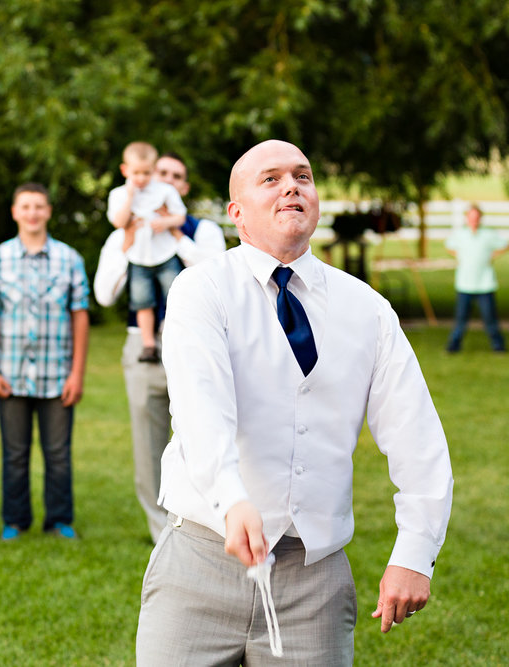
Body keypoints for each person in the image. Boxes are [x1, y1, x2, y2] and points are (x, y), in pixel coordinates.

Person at [136, 140, 454, 665]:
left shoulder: (367, 309)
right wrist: (231, 497)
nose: (292, 186)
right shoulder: (202, 290)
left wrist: (416, 552)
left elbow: (416, 435)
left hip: (315, 579)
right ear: (236, 212)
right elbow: (200, 406)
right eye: (271, 178)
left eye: (303, 177)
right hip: (200, 561)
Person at [93, 152, 226, 543]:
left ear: (179, 188)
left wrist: (175, 236)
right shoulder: (121, 233)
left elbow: (217, 275)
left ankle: (209, 524)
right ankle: (160, 531)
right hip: (144, 350)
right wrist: (128, 245)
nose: (162, 181)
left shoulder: (203, 232)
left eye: (173, 176)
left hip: (197, 349)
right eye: (158, 173)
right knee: (148, 443)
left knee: (206, 435)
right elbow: (104, 294)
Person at [0, 183, 90, 541]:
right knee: (14, 453)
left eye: (38, 206)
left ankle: (59, 520)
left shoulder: (69, 259)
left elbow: (80, 315)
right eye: (25, 207)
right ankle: (15, 520)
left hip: (57, 373)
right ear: (14, 212)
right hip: (10, 372)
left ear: (48, 212)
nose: (32, 213)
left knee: (58, 453)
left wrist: (77, 373)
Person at [107, 142, 187, 363]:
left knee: (175, 293)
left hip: (164, 253)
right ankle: (148, 345)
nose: (141, 178)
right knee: (142, 300)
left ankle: (177, 335)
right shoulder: (119, 194)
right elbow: (118, 222)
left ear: (153, 170)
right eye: (136, 173)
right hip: (139, 257)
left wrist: (165, 221)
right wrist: (131, 197)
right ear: (125, 171)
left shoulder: (165, 191)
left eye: (146, 173)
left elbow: (180, 216)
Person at [444, 204, 507, 353]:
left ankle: (498, 346)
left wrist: (493, 256)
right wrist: (460, 256)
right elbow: (448, 245)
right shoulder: (460, 235)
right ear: (467, 218)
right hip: (465, 284)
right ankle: (454, 346)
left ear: (480, 218)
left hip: (485, 284)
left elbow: (505, 245)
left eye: (476, 217)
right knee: (460, 320)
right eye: (471, 217)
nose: (474, 220)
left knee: (490, 319)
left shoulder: (488, 235)